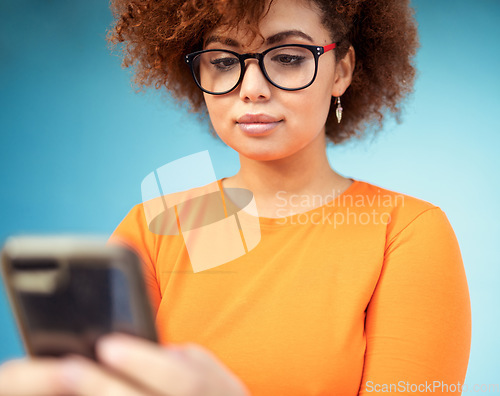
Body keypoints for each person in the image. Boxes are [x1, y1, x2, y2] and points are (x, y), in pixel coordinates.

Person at [0, 0, 471, 395]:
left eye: (288, 56)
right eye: (224, 62)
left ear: (341, 70)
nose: (251, 90)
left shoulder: (405, 231)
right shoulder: (154, 227)